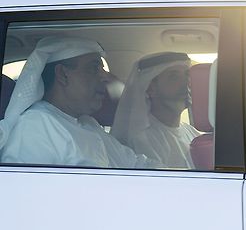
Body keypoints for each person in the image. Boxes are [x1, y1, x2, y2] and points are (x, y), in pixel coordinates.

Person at [0, 36, 154, 168]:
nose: (106, 77)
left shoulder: (88, 124)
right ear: (63, 75)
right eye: (93, 69)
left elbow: (135, 165)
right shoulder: (35, 126)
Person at [111, 52, 199, 168]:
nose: (186, 83)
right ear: (151, 88)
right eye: (174, 77)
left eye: (187, 75)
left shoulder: (192, 133)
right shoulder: (140, 140)